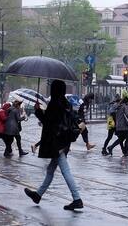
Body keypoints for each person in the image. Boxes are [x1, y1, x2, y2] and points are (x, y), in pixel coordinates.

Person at [24, 80, 83, 211]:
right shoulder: (66, 103)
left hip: (56, 143)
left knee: (65, 171)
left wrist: (38, 112)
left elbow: (48, 122)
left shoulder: (54, 104)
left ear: (54, 90)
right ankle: (38, 195)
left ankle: (77, 199)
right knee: (50, 170)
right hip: (63, 141)